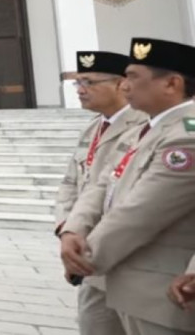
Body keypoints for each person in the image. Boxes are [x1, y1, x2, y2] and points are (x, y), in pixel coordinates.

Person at [60, 37, 195, 334]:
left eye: (133, 77)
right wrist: (72, 229)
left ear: (171, 84)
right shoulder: (145, 130)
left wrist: (83, 259)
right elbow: (100, 184)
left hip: (159, 290)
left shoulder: (186, 136)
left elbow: (142, 213)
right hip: (119, 274)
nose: (125, 85)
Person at [52, 51, 146, 335]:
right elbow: (71, 182)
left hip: (125, 254)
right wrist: (68, 228)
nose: (80, 90)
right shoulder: (94, 127)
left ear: (120, 84)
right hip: (86, 254)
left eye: (89, 82)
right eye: (78, 83)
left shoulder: (142, 125)